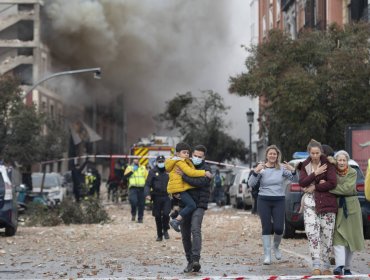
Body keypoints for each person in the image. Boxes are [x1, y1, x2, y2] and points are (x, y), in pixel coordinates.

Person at [248, 145, 297, 265]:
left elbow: (296, 180)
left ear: (277, 156)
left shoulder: (281, 169)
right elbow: (251, 183)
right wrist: (255, 171)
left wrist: (293, 170)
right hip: (263, 200)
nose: (272, 156)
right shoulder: (262, 168)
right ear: (266, 155)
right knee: (267, 227)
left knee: (279, 228)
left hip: (278, 200)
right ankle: (267, 255)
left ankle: (276, 246)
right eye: (270, 154)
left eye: (274, 154)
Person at [298, 139, 337, 276]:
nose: (315, 155)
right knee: (312, 233)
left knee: (327, 234)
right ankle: (316, 264)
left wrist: (316, 186)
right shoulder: (304, 165)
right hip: (310, 203)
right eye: (312, 153)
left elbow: (332, 182)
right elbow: (302, 182)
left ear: (321, 152)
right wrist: (315, 174)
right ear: (309, 153)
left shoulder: (329, 164)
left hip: (327, 203)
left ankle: (326, 264)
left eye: (317, 153)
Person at [176, 144, 212, 273]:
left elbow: (200, 182)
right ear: (191, 155)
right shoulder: (185, 165)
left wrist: (184, 177)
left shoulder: (207, 169)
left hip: (199, 206)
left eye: (199, 156)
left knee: (195, 229)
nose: (196, 158)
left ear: (204, 157)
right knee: (185, 235)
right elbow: (175, 182)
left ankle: (196, 259)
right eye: (195, 156)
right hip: (185, 205)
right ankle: (190, 261)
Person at [330, 150, 365, 275]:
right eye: (339, 160)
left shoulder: (353, 172)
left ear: (347, 161)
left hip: (352, 208)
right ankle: (339, 266)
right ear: (336, 161)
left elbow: (347, 188)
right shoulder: (332, 172)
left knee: (351, 238)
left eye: (344, 160)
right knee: (338, 237)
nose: (341, 162)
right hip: (337, 207)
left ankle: (348, 267)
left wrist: (329, 188)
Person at [165, 142, 212, 232]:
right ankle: (176, 220)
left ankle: (175, 214)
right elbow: (191, 172)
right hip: (179, 189)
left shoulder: (178, 160)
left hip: (178, 188)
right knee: (191, 205)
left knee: (188, 204)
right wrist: (204, 172)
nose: (186, 154)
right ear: (178, 153)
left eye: (187, 152)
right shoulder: (180, 162)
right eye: (184, 152)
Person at [144, 155, 171, 241]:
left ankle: (166, 229)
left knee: (166, 214)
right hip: (156, 196)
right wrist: (147, 194)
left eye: (162, 161)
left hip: (167, 196)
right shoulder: (152, 171)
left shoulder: (168, 171)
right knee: (158, 216)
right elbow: (147, 184)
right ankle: (159, 235)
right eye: (159, 162)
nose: (161, 163)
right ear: (156, 162)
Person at [124, 158, 148, 223]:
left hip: (141, 188)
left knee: (141, 204)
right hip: (133, 188)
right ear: (133, 161)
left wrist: (147, 188)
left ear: (139, 161)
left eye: (137, 160)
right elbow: (125, 176)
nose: (136, 161)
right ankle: (133, 214)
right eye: (134, 160)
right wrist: (132, 171)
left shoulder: (143, 168)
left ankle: (140, 218)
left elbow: (147, 178)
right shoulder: (129, 168)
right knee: (133, 201)